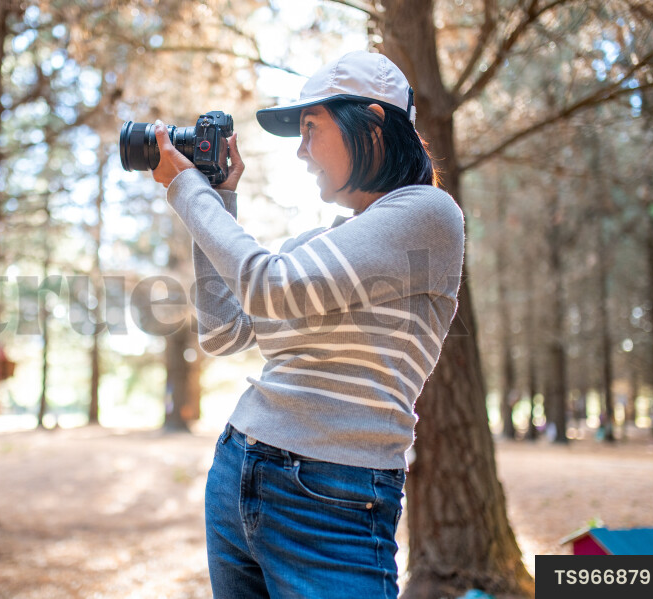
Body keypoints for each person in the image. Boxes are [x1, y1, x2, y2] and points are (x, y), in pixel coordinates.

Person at [150, 51, 465, 599]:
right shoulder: (321, 243)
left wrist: (188, 191)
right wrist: (218, 195)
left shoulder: (430, 214)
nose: (300, 152)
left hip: (333, 495)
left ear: (369, 122)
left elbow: (270, 285)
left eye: (311, 130)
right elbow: (224, 330)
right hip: (238, 469)